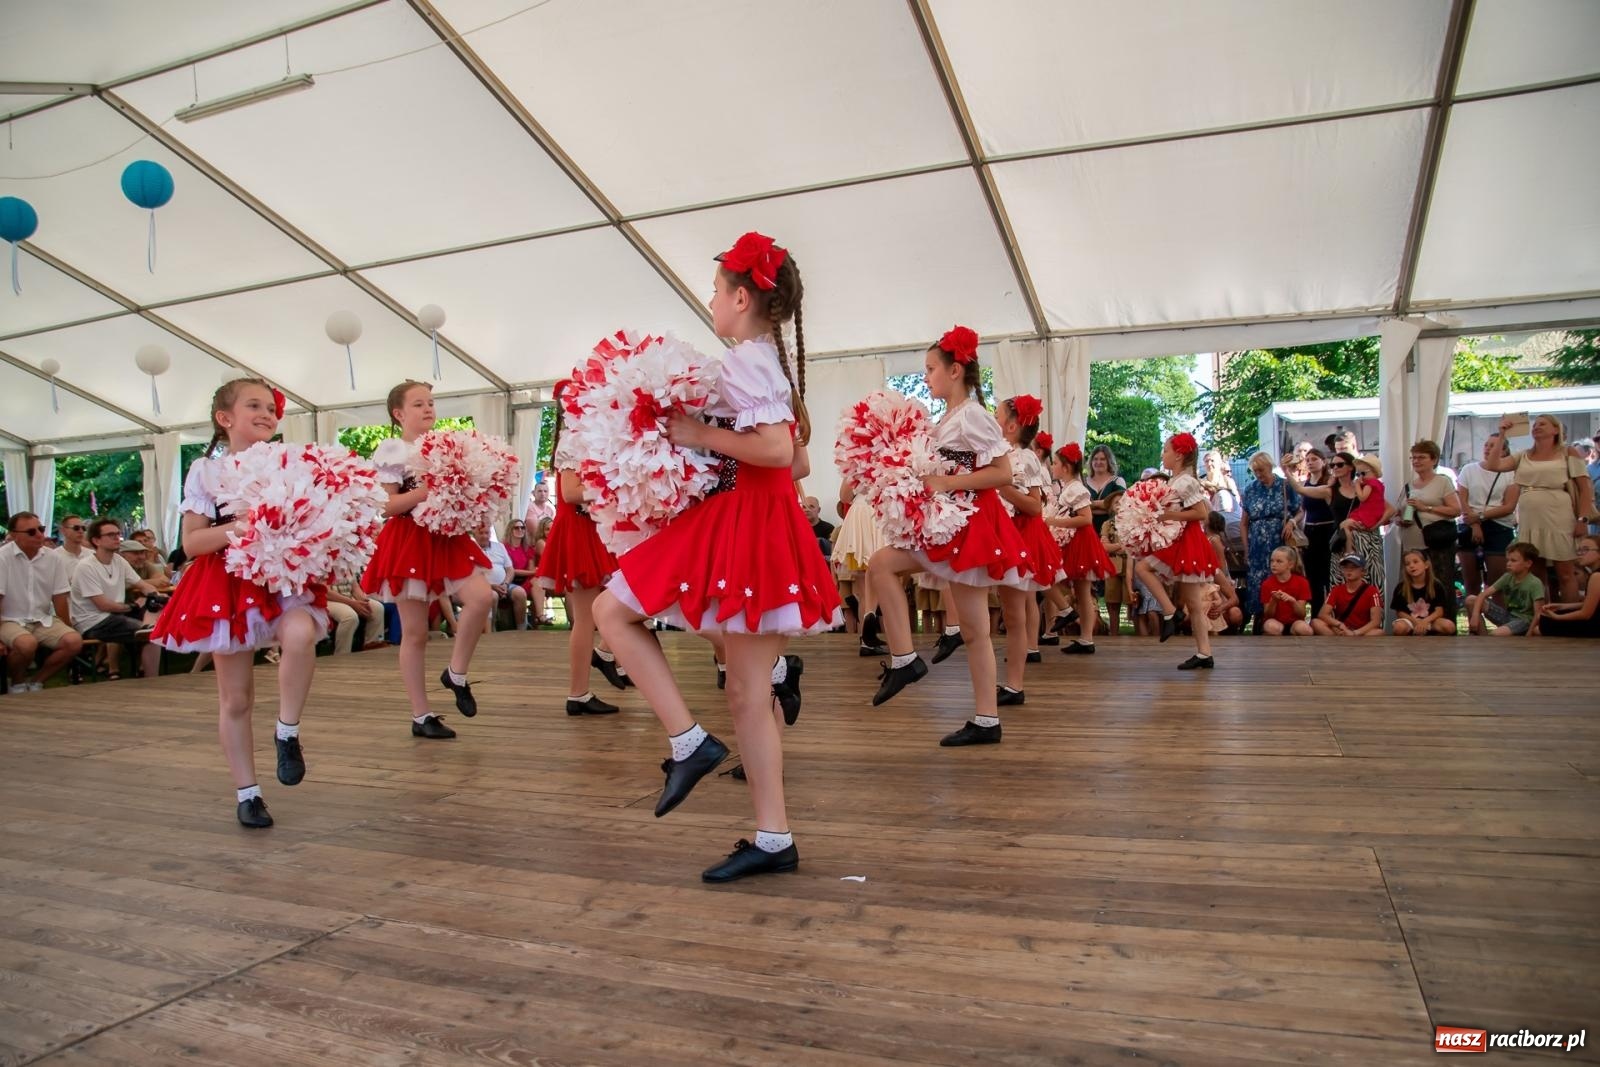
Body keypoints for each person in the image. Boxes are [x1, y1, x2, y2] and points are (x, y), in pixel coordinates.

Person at [593, 231, 841, 883]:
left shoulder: (747, 361)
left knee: (613, 613)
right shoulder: (761, 359)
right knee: (744, 691)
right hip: (748, 520)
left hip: (745, 522)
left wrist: (699, 433)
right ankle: (769, 833)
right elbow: (788, 452)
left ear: (740, 296)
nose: (710, 300)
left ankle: (691, 744)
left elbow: (780, 454)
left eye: (714, 289)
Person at [150, 379, 330, 828]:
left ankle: (287, 732)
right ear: (225, 418)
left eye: (271, 407)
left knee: (301, 632)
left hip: (282, 576)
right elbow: (191, 544)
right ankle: (247, 793)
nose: (268, 414)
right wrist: (249, 525)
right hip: (228, 581)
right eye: (255, 405)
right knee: (236, 699)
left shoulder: (295, 464)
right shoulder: (205, 473)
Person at [863, 325, 1028, 745]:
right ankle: (909, 662)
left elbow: (1003, 473)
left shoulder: (972, 414)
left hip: (966, 524)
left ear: (956, 371)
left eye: (931, 368)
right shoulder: (952, 417)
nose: (926, 377)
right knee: (883, 566)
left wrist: (946, 483)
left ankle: (981, 714)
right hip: (950, 523)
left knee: (973, 629)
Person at [361, 380, 497, 741]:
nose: (428, 409)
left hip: (447, 537)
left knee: (483, 597)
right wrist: (426, 491)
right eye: (419, 403)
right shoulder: (391, 448)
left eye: (431, 403)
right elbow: (385, 506)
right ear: (398, 413)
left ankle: (456, 673)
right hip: (408, 539)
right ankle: (421, 715)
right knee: (416, 633)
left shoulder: (446, 445)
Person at [537, 382, 630, 716]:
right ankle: (578, 693)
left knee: (621, 600)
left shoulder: (589, 437)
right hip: (578, 531)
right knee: (585, 618)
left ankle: (603, 658)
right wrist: (614, 484)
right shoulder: (572, 440)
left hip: (594, 529)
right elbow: (571, 492)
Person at [1479, 414, 1596, 602]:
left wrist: (1583, 519)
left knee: (1565, 572)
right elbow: (1493, 465)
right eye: (1535, 424)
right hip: (1530, 518)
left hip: (1558, 515)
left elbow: (1584, 488)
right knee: (1536, 574)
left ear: (1556, 430)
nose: (1537, 427)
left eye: (1542, 424)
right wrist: (1502, 435)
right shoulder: (1523, 455)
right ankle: (1542, 619)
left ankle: (1569, 621)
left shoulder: (1568, 453)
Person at [994, 394, 1060, 704]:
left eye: (996, 416)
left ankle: (1015, 685)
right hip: (1001, 532)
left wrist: (1003, 488)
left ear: (1010, 426)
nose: (992, 420)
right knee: (1010, 613)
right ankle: (1011, 683)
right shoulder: (998, 454)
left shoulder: (1026, 458)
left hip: (1019, 534)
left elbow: (1034, 507)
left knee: (1015, 614)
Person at [1131, 433, 1217, 669]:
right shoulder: (1177, 479)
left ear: (1179, 455)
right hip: (1181, 539)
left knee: (1143, 567)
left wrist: (1169, 515)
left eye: (1166, 450)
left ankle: (1170, 612)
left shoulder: (1185, 481)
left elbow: (1201, 513)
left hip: (1186, 540)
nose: (1162, 454)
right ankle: (1204, 652)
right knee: (1193, 602)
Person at [71, 519, 164, 682]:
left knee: (156, 616)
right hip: (93, 621)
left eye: (118, 534)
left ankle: (149, 675)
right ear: (96, 540)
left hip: (114, 616)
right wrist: (135, 605)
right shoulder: (86, 566)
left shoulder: (119, 561)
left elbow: (142, 585)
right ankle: (149, 678)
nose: (117, 538)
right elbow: (102, 605)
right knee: (149, 632)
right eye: (111, 534)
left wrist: (156, 597)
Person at [1, 511, 84, 692]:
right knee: (26, 643)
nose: (40, 535)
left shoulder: (52, 557)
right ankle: (16, 682)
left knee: (73, 641)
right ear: (14, 535)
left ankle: (37, 681)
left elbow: (60, 597)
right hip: (9, 619)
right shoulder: (2, 557)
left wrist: (67, 626)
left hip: (42, 618)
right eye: (31, 532)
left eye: (41, 529)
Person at [1046, 442, 1115, 653]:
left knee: (1055, 579)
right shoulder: (1068, 487)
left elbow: (1086, 518)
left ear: (1066, 467)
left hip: (1080, 542)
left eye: (1055, 463)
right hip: (1073, 541)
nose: (1052, 467)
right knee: (1082, 591)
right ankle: (1085, 637)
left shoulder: (1076, 488)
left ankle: (1078, 627)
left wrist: (1054, 522)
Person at [1397, 439, 1459, 617]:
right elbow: (1398, 510)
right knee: (1415, 585)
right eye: (1414, 458)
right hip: (1411, 544)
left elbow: (1455, 510)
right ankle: (1416, 622)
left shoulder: (1442, 482)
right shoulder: (1408, 485)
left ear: (1434, 460)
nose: (1416, 461)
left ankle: (1446, 623)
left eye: (1421, 457)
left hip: (1436, 542)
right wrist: (1399, 520)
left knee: (1440, 583)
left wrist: (1427, 508)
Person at [1239, 451, 1299, 633]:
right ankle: (1259, 622)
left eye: (1262, 470)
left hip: (1278, 539)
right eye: (1255, 471)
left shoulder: (1285, 486)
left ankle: (1284, 621)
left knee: (1280, 578)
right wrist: (1246, 548)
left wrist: (1292, 521)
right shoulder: (1250, 489)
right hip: (1257, 543)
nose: (1259, 474)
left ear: (1270, 467)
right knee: (1257, 584)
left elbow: (1300, 509)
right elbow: (1244, 522)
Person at [1456, 433, 1519, 600]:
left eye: (1494, 446)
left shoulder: (1510, 473)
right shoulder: (1469, 470)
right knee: (1471, 584)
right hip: (1469, 525)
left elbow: (1509, 506)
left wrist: (1480, 516)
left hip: (1499, 526)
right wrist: (1475, 524)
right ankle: (1475, 623)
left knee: (1496, 583)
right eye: (1486, 444)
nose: (1488, 449)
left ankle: (1500, 622)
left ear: (1504, 450)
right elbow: (1462, 499)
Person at [830, 480, 886, 656]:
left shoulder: (855, 455)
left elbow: (845, 496)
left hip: (862, 515)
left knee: (864, 591)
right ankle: (893, 642)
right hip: (881, 513)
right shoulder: (897, 455)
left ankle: (866, 640)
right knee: (886, 584)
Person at [1467, 541, 1545, 636]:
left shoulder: (1535, 583)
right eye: (1508, 560)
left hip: (1524, 621)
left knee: (1496, 634)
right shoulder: (1508, 577)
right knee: (1471, 600)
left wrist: (1529, 634)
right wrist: (1475, 616)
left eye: (1513, 561)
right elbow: (1483, 594)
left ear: (1528, 563)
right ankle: (1482, 637)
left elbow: (1538, 613)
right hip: (1508, 616)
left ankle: (1491, 639)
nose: (1508, 563)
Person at [1538, 535, 1600, 637]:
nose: (1580, 554)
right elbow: (1591, 603)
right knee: (1545, 619)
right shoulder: (1594, 575)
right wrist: (1562, 606)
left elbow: (1586, 614)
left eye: (1586, 550)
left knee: (1544, 622)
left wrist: (1557, 617)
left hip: (1595, 626)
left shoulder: (1597, 576)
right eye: (1579, 550)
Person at [1312, 554, 1384, 637]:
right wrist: (1338, 624)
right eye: (1346, 567)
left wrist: (1355, 633)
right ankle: (1338, 641)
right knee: (1316, 623)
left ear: (1363, 571)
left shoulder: (1372, 591)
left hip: (1361, 632)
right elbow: (1322, 614)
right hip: (1342, 629)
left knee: (1378, 632)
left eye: (1353, 567)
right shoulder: (1336, 590)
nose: (1349, 570)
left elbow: (1375, 621)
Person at [1390, 549, 1456, 636]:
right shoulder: (1401, 587)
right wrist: (1415, 622)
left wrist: (1424, 622)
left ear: (1426, 565)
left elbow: (1439, 611)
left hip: (1430, 621)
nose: (1411, 566)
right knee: (1399, 628)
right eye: (1407, 564)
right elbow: (1400, 612)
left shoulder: (1436, 585)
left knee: (1449, 626)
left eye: (1415, 562)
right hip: (1410, 621)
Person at [475, 527, 527, 631]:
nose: (484, 536)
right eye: (481, 533)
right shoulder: (471, 548)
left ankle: (522, 629)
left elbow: (510, 569)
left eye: (487, 533)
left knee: (520, 593)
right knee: (492, 596)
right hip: (484, 586)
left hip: (504, 584)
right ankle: (491, 628)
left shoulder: (499, 546)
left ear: (490, 534)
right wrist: (491, 586)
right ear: (474, 533)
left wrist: (506, 584)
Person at [502, 519, 551, 625]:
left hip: (525, 580)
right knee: (537, 579)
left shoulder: (527, 548)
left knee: (538, 581)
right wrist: (534, 573)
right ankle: (534, 619)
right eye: (516, 527)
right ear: (510, 530)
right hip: (510, 580)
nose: (520, 530)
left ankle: (539, 616)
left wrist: (534, 573)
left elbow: (531, 568)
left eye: (522, 527)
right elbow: (511, 571)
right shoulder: (504, 547)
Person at [1257, 546, 1313, 636]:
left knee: (1306, 630)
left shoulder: (1302, 582)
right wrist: (1273, 601)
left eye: (1279, 561)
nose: (1273, 564)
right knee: (1272, 627)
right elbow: (1268, 615)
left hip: (1295, 622)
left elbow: (1302, 614)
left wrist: (1292, 601)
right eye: (1272, 561)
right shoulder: (1267, 584)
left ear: (1290, 565)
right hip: (1275, 621)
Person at [325, 581, 386, 654]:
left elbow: (354, 586)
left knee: (377, 608)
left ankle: (373, 648)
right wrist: (353, 603)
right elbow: (325, 592)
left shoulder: (348, 569)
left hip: (349, 597)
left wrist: (363, 601)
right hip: (327, 600)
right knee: (350, 617)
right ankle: (342, 654)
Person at [1084, 445, 1125, 537]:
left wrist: (1091, 505)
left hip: (1110, 530)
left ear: (1109, 461)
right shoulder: (1083, 482)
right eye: (1095, 459)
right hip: (1087, 530)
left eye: (1103, 459)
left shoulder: (1118, 481)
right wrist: (1106, 505)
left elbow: (1119, 505)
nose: (1098, 462)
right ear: (1091, 461)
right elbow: (1078, 506)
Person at [1201, 449, 1240, 516]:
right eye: (1206, 461)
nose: (1209, 464)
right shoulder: (1200, 482)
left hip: (1226, 518)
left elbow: (1236, 500)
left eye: (1212, 461)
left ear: (1219, 463)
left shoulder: (1227, 481)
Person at [54, 514, 91, 582]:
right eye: (76, 528)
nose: (81, 531)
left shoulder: (92, 555)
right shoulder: (54, 556)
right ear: (63, 530)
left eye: (83, 528)